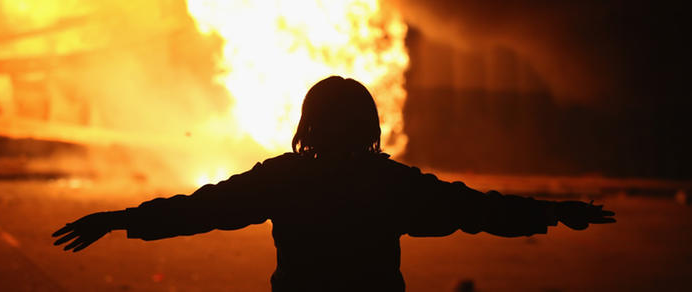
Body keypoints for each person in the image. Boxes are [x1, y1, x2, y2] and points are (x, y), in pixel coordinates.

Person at [53, 76, 615, 292]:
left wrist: (119, 219)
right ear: (370, 127)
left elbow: (199, 211)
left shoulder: (283, 178)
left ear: (308, 124)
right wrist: (553, 211)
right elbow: (474, 209)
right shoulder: (390, 183)